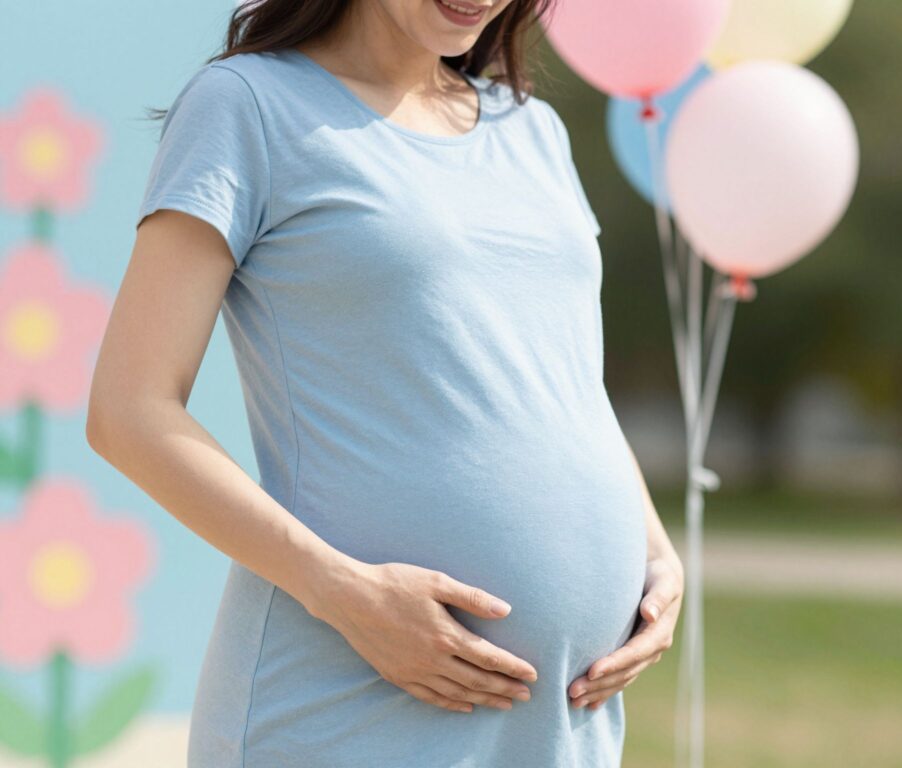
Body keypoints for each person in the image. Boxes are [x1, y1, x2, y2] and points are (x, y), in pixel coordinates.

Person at [86, 0, 684, 765]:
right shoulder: (248, 105)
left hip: (564, 721)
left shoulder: (533, 129)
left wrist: (654, 555)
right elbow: (128, 411)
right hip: (346, 696)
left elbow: (565, 389)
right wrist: (343, 593)